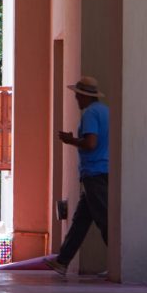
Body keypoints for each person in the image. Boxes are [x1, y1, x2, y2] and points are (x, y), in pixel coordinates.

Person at [44, 76, 109, 277]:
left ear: (84, 96)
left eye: (77, 96)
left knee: (105, 220)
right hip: (102, 172)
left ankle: (120, 262)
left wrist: (71, 140)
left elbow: (90, 143)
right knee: (81, 220)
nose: (76, 99)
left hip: (94, 174)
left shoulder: (89, 114)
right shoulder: (105, 111)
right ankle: (62, 261)